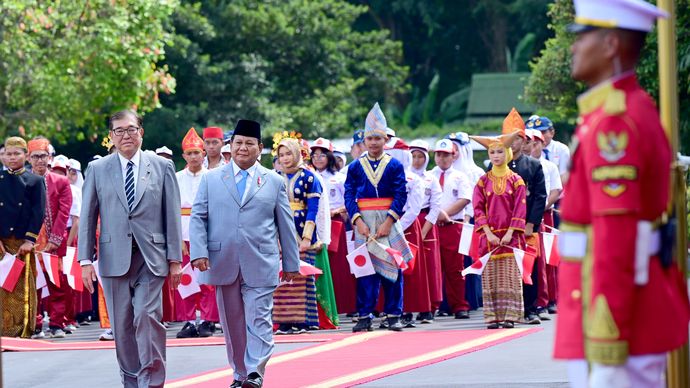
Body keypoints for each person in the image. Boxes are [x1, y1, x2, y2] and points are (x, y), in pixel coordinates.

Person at [555, 1, 690, 386]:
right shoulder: (615, 113)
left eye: (583, 38)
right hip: (613, 301)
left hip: (615, 312)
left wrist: (607, 328)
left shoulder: (615, 122)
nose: (574, 48)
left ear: (611, 44)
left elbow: (615, 236)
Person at [189, 119, 300, 388]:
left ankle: (255, 372)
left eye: (249, 143)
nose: (242, 148)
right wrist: (199, 252)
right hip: (221, 260)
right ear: (231, 145)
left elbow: (285, 224)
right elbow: (198, 216)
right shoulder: (211, 178)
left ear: (259, 148)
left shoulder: (273, 181)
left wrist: (291, 262)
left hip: (261, 260)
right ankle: (240, 374)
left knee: (259, 318)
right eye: (238, 142)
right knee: (233, 324)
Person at [78, 109, 183, 388]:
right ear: (111, 137)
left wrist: (175, 259)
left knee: (147, 317)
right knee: (122, 327)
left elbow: (171, 215)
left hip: (152, 258)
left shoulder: (161, 167)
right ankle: (132, 381)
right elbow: (88, 216)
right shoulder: (98, 169)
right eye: (119, 131)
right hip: (114, 258)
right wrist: (84, 260)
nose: (126, 135)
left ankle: (152, 381)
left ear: (141, 132)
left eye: (131, 129)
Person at [344, 103, 413, 332]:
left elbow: (400, 193)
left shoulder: (394, 165)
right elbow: (349, 194)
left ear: (385, 140)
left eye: (378, 138)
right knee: (365, 269)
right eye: (369, 139)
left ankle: (394, 313)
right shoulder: (355, 167)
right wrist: (358, 221)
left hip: (387, 221)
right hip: (363, 222)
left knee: (393, 266)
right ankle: (365, 314)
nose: (373, 143)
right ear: (364, 141)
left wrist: (388, 222)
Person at [471, 133, 526, 329]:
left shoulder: (517, 180)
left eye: (500, 151)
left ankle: (510, 316)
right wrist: (488, 233)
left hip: (512, 237)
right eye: (492, 152)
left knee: (510, 277)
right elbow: (477, 208)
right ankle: (493, 317)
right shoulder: (482, 181)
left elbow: (520, 208)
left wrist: (511, 232)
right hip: (489, 239)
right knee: (491, 277)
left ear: (508, 153)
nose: (496, 156)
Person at [271, 137, 323, 334]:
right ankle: (284, 322)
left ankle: (303, 321)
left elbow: (313, 209)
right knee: (282, 277)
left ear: (298, 154)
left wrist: (307, 238)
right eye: (281, 155)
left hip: (303, 230)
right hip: (279, 230)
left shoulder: (310, 178)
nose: (285, 159)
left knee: (303, 277)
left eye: (288, 154)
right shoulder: (274, 177)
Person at [502, 108, 548, 324]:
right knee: (505, 268)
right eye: (507, 139)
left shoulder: (534, 165)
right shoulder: (497, 166)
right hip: (503, 227)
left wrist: (531, 223)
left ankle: (530, 309)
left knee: (529, 266)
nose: (510, 143)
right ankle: (509, 310)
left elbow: (540, 197)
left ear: (522, 140)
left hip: (527, 226)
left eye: (515, 139)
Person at [174, 128, 218, 338]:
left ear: (203, 154)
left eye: (196, 153)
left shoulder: (212, 177)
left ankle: (208, 320)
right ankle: (189, 320)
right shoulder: (176, 178)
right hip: (182, 232)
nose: (193, 157)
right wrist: (177, 237)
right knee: (185, 279)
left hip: (205, 231)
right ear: (184, 156)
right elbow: (170, 208)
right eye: (189, 153)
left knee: (207, 278)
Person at [0, 137, 46, 338]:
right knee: (2, 288)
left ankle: (22, 330)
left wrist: (30, 240)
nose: (12, 158)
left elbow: (38, 211)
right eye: (8, 154)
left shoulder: (35, 180)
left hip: (21, 243)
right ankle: (4, 330)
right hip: (2, 242)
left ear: (25, 156)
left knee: (22, 288)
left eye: (16, 153)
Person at [28, 138, 74, 338]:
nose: (40, 161)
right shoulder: (22, 181)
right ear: (29, 158)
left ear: (49, 158)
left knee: (57, 284)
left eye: (43, 156)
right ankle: (36, 325)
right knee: (32, 284)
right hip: (28, 243)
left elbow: (65, 212)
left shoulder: (61, 181)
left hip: (54, 241)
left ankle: (56, 323)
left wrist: (55, 240)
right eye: (35, 156)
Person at [385, 139, 430, 328]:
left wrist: (397, 226)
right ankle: (391, 310)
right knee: (387, 267)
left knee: (409, 269)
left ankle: (409, 310)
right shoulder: (385, 179)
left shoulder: (413, 179)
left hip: (406, 225)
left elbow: (414, 208)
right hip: (386, 224)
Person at [310, 138, 356, 317]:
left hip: (336, 223)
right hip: (313, 225)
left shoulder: (340, 178)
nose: (318, 158)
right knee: (319, 264)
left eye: (322, 155)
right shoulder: (310, 176)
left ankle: (346, 305)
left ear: (330, 157)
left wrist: (335, 211)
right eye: (314, 155)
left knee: (340, 267)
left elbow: (350, 202)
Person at [430, 139, 473, 319]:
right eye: (439, 154)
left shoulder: (460, 176)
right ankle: (432, 305)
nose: (442, 158)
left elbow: (464, 199)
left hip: (452, 225)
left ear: (453, 156)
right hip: (431, 225)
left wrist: (444, 214)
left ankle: (459, 305)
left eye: (446, 155)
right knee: (432, 267)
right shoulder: (428, 175)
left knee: (455, 268)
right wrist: (436, 215)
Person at [528, 129, 563, 314]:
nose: (532, 147)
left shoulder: (549, 166)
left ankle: (551, 298)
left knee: (549, 259)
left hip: (545, 214)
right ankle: (536, 300)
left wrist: (540, 208)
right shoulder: (521, 165)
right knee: (534, 259)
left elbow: (556, 191)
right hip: (527, 216)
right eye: (528, 143)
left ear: (542, 144)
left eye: (535, 143)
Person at [409, 140, 443, 323]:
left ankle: (428, 308)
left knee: (429, 267)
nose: (416, 160)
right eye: (413, 156)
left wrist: (424, 231)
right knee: (410, 267)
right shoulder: (403, 177)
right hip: (407, 223)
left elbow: (436, 206)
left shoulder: (431, 179)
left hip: (426, 224)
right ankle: (408, 307)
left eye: (420, 156)